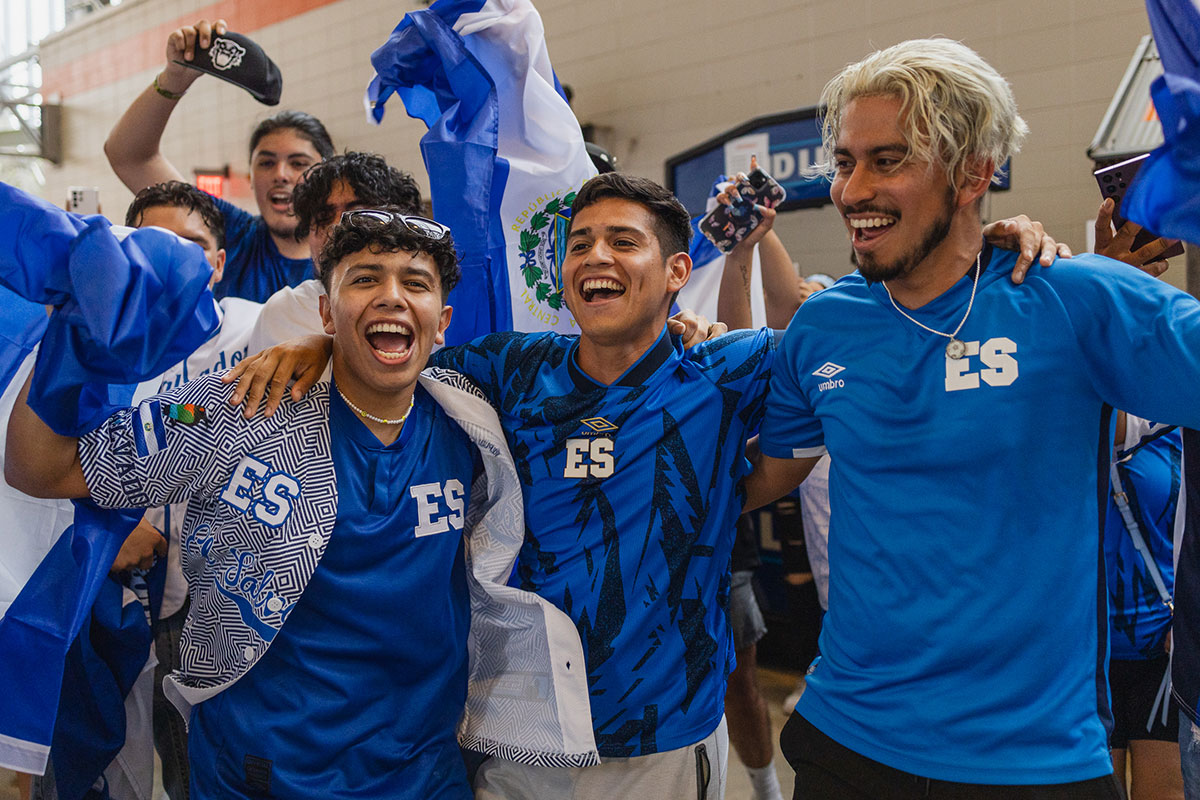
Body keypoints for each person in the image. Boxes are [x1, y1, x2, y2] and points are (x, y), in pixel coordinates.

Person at [227, 169, 1063, 799]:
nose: (595, 255)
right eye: (580, 243)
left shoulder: (729, 370)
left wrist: (976, 240)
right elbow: (391, 350)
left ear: (674, 272)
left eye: (622, 241)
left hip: (663, 740)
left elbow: (863, 325)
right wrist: (317, 345)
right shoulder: (509, 370)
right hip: (519, 734)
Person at [744, 38, 1200, 798]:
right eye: (845, 161)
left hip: (1033, 760)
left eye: (887, 161)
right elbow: (763, 478)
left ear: (974, 173)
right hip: (846, 743)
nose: (852, 189)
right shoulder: (823, 328)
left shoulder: (1073, 298)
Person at [5, 210, 526, 798]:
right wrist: (69, 341)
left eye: (414, 283)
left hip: (424, 774)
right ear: (327, 313)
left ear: (442, 322)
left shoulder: (476, 422)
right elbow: (40, 468)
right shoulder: (239, 409)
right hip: (261, 772)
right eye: (364, 279)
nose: (391, 297)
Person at [104, 18, 334, 303]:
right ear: (250, 177)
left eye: (298, 163)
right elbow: (130, 157)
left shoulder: (351, 253)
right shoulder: (230, 232)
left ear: (327, 176)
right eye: (266, 162)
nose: (281, 175)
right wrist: (174, 79)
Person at [246, 152, 423, 351]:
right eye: (323, 217)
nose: (337, 228)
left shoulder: (426, 302)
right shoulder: (285, 313)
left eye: (357, 214)